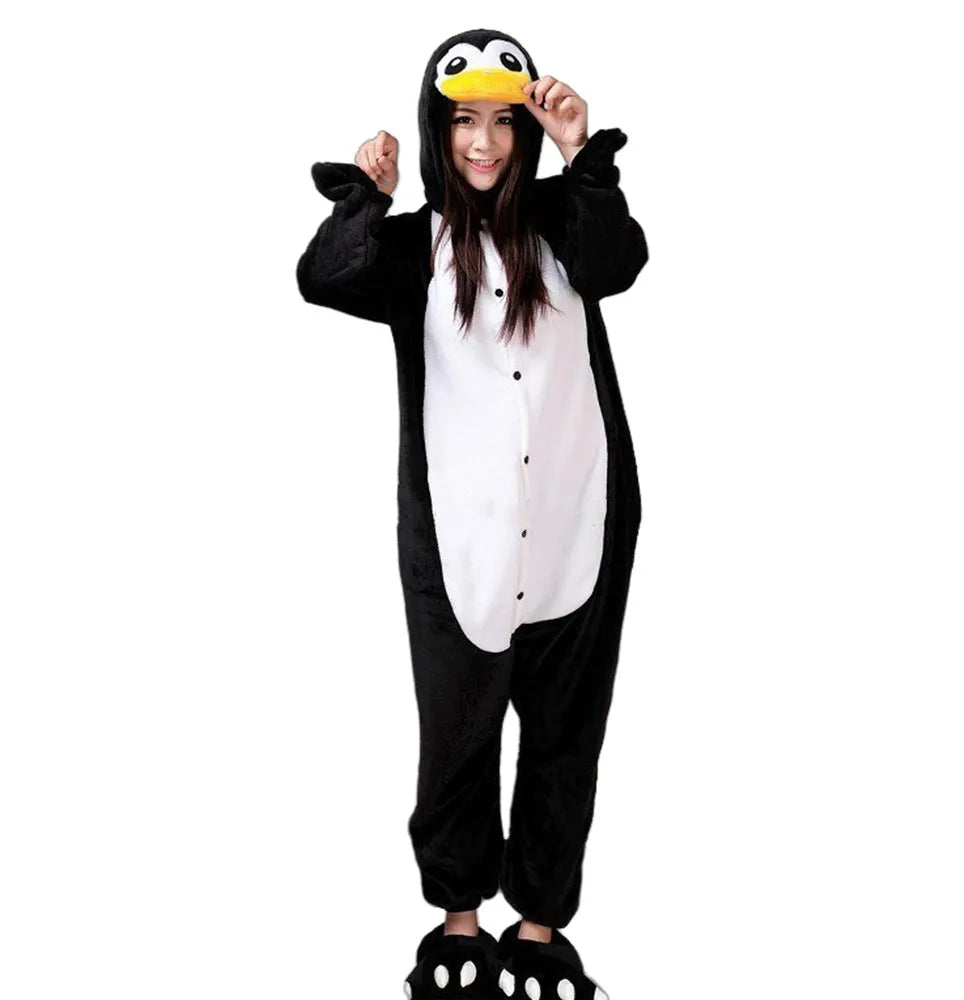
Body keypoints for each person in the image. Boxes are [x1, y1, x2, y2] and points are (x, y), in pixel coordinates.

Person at [296, 27, 647, 1000]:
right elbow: (323, 277)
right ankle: (459, 922)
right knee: (456, 733)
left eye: (501, 121)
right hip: (458, 538)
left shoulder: (565, 222)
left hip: (580, 522)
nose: (483, 143)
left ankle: (537, 929)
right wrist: (368, 197)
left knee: (564, 735)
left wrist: (580, 152)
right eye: (462, 122)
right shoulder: (413, 249)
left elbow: (620, 262)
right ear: (436, 126)